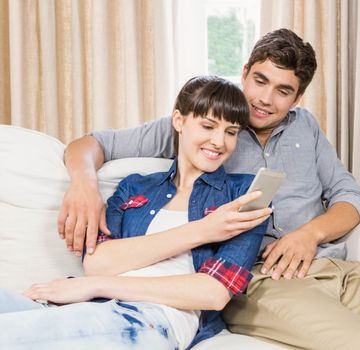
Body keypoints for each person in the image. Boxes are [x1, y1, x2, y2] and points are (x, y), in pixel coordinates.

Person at [59, 29, 360, 349]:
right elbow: (94, 143)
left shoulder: (306, 128)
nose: (265, 99)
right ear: (246, 71)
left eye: (283, 90)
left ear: (298, 96)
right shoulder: (209, 127)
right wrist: (84, 182)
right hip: (260, 280)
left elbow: (350, 196)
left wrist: (310, 234)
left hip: (334, 270)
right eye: (260, 81)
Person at [0, 76, 272, 350]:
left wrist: (96, 286)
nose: (219, 142)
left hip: (151, 319)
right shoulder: (135, 186)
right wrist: (202, 230)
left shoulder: (243, 194)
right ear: (179, 121)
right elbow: (97, 263)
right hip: (89, 307)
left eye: (231, 132)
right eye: (208, 126)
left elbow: (213, 293)